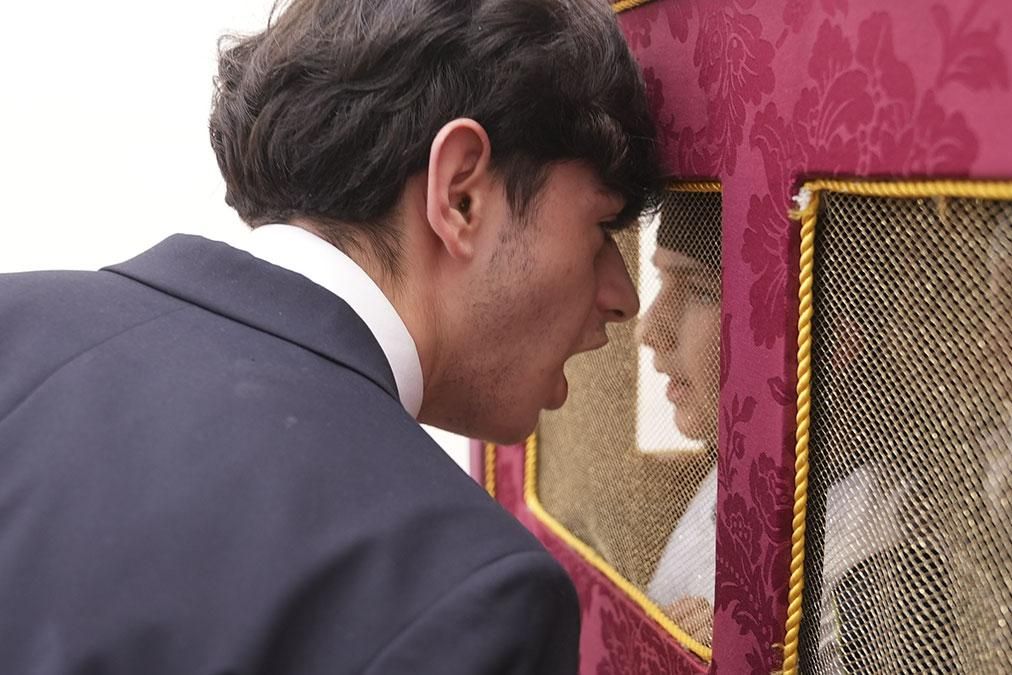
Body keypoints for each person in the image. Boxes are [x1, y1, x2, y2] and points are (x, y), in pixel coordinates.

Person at [0, 0, 663, 672]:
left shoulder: (14, 322)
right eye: (603, 228)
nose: (623, 295)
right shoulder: (470, 591)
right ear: (461, 191)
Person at [638, 190, 721, 644]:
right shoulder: (727, 472)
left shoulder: (870, 531)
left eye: (702, 291)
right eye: (662, 282)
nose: (650, 329)